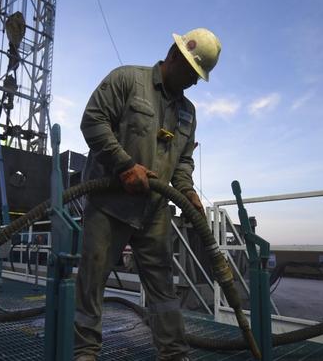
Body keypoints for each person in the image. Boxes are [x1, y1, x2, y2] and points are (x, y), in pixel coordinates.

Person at [74, 28, 221, 361]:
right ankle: (85, 353)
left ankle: (173, 353)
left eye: (200, 76)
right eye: (193, 73)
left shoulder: (189, 112)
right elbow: (92, 121)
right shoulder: (127, 80)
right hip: (110, 205)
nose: (196, 82)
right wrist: (125, 166)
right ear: (174, 56)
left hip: (154, 210)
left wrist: (186, 190)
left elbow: (183, 159)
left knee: (162, 287)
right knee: (91, 282)